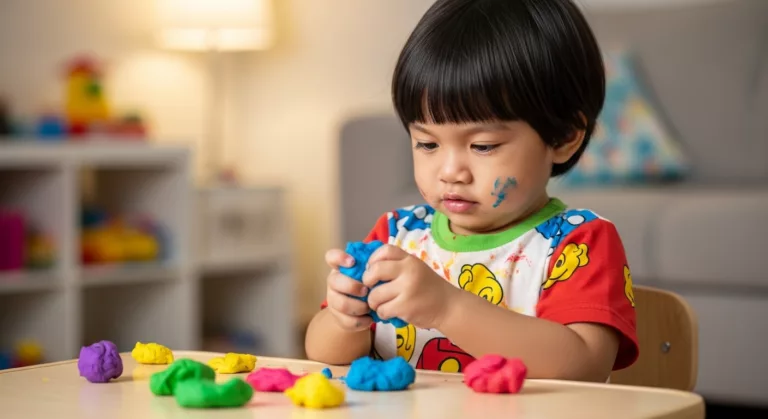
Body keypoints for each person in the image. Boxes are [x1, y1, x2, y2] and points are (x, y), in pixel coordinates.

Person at [304, 0, 638, 382]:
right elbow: (322, 352)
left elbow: (582, 367)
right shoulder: (398, 235)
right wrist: (344, 318)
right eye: (427, 144)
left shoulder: (577, 243)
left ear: (563, 138)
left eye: (482, 146)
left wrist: (448, 307)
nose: (450, 172)